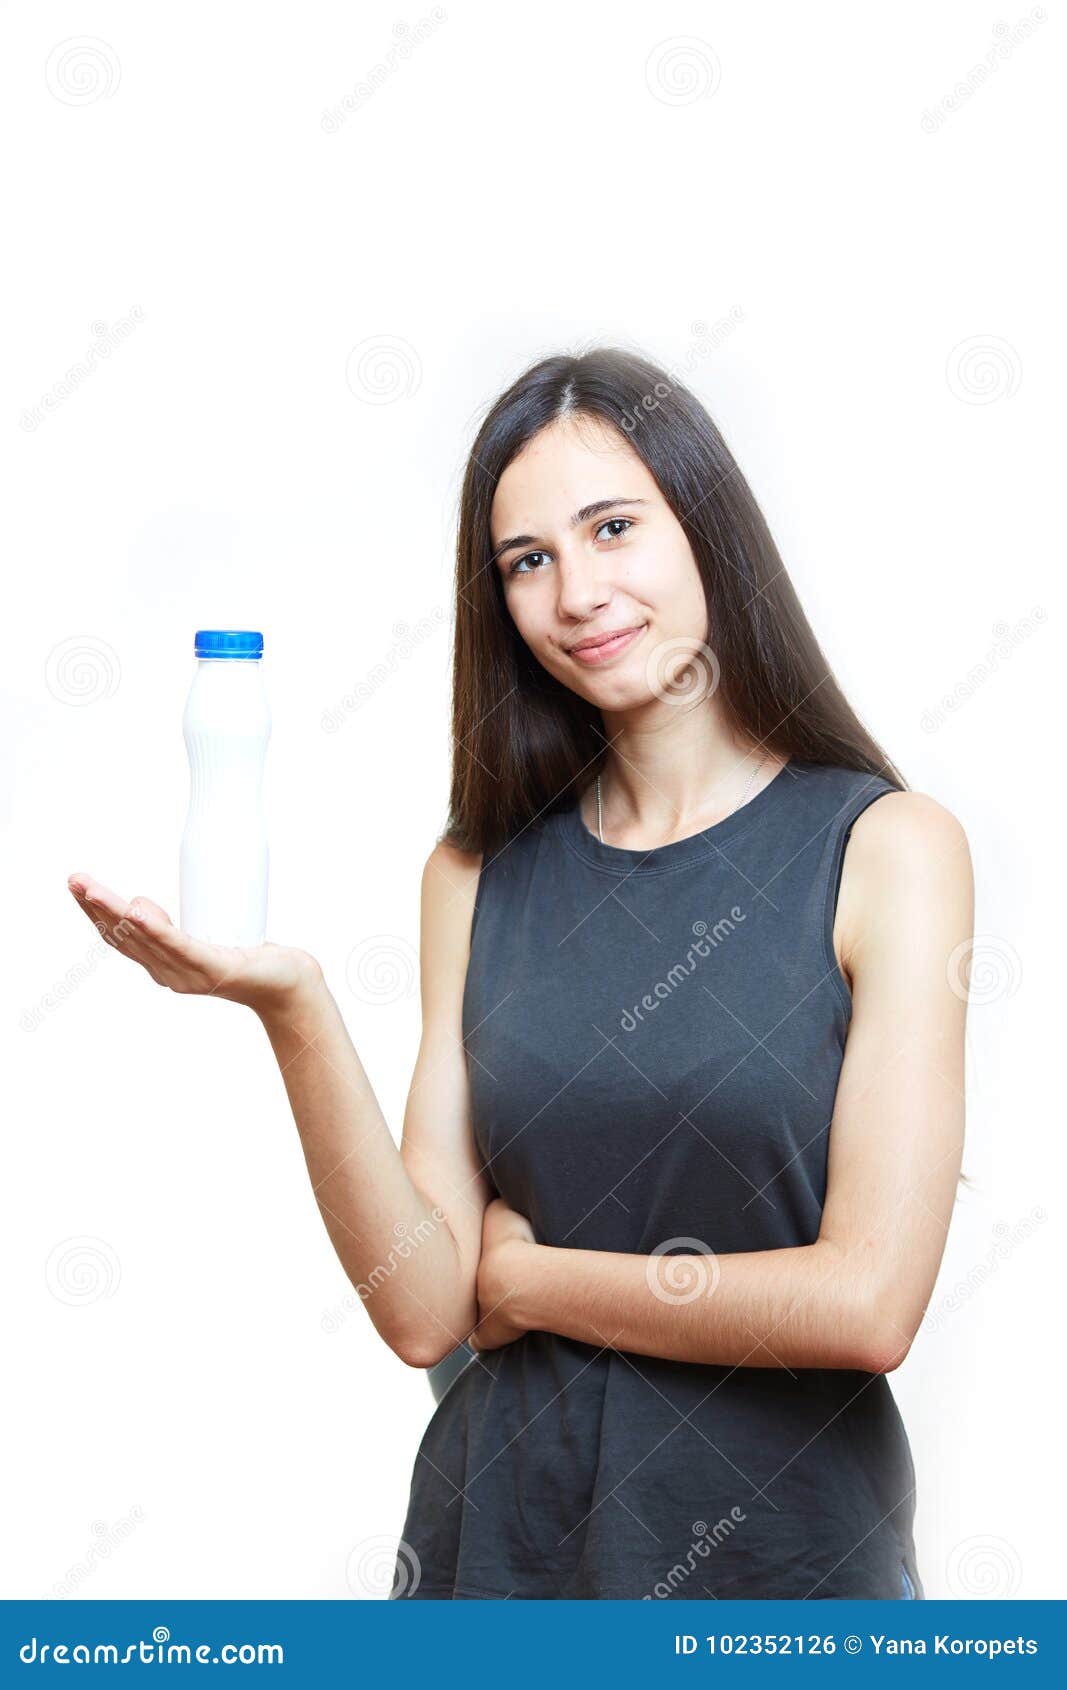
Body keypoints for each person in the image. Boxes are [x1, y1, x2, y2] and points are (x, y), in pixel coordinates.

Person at [67, 347, 973, 1601]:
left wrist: (538, 1281)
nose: (575, 591)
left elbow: (867, 1301)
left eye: (612, 528)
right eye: (526, 560)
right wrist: (296, 1009)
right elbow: (426, 1310)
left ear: (705, 526)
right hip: (494, 1557)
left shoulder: (886, 849)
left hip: (781, 1578)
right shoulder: (475, 871)